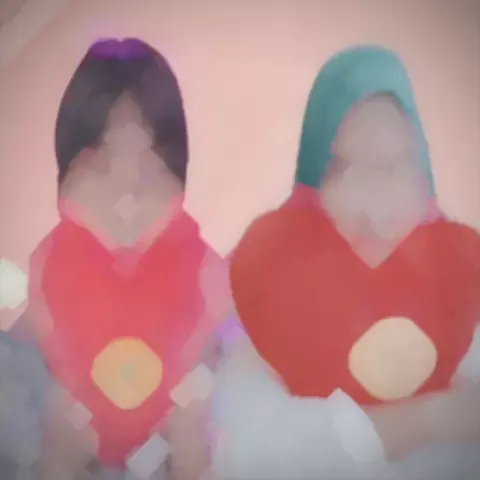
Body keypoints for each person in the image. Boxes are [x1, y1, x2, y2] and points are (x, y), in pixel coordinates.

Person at [211, 45, 480, 480]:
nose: (375, 207)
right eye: (346, 169)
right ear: (314, 178)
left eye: (397, 165)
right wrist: (428, 421)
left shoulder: (461, 284)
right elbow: (246, 451)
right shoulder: (268, 290)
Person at [24, 38, 232, 480]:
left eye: (151, 168)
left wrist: (192, 456)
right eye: (102, 165)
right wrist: (57, 462)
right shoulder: (47, 273)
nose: (126, 196)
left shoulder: (207, 276)